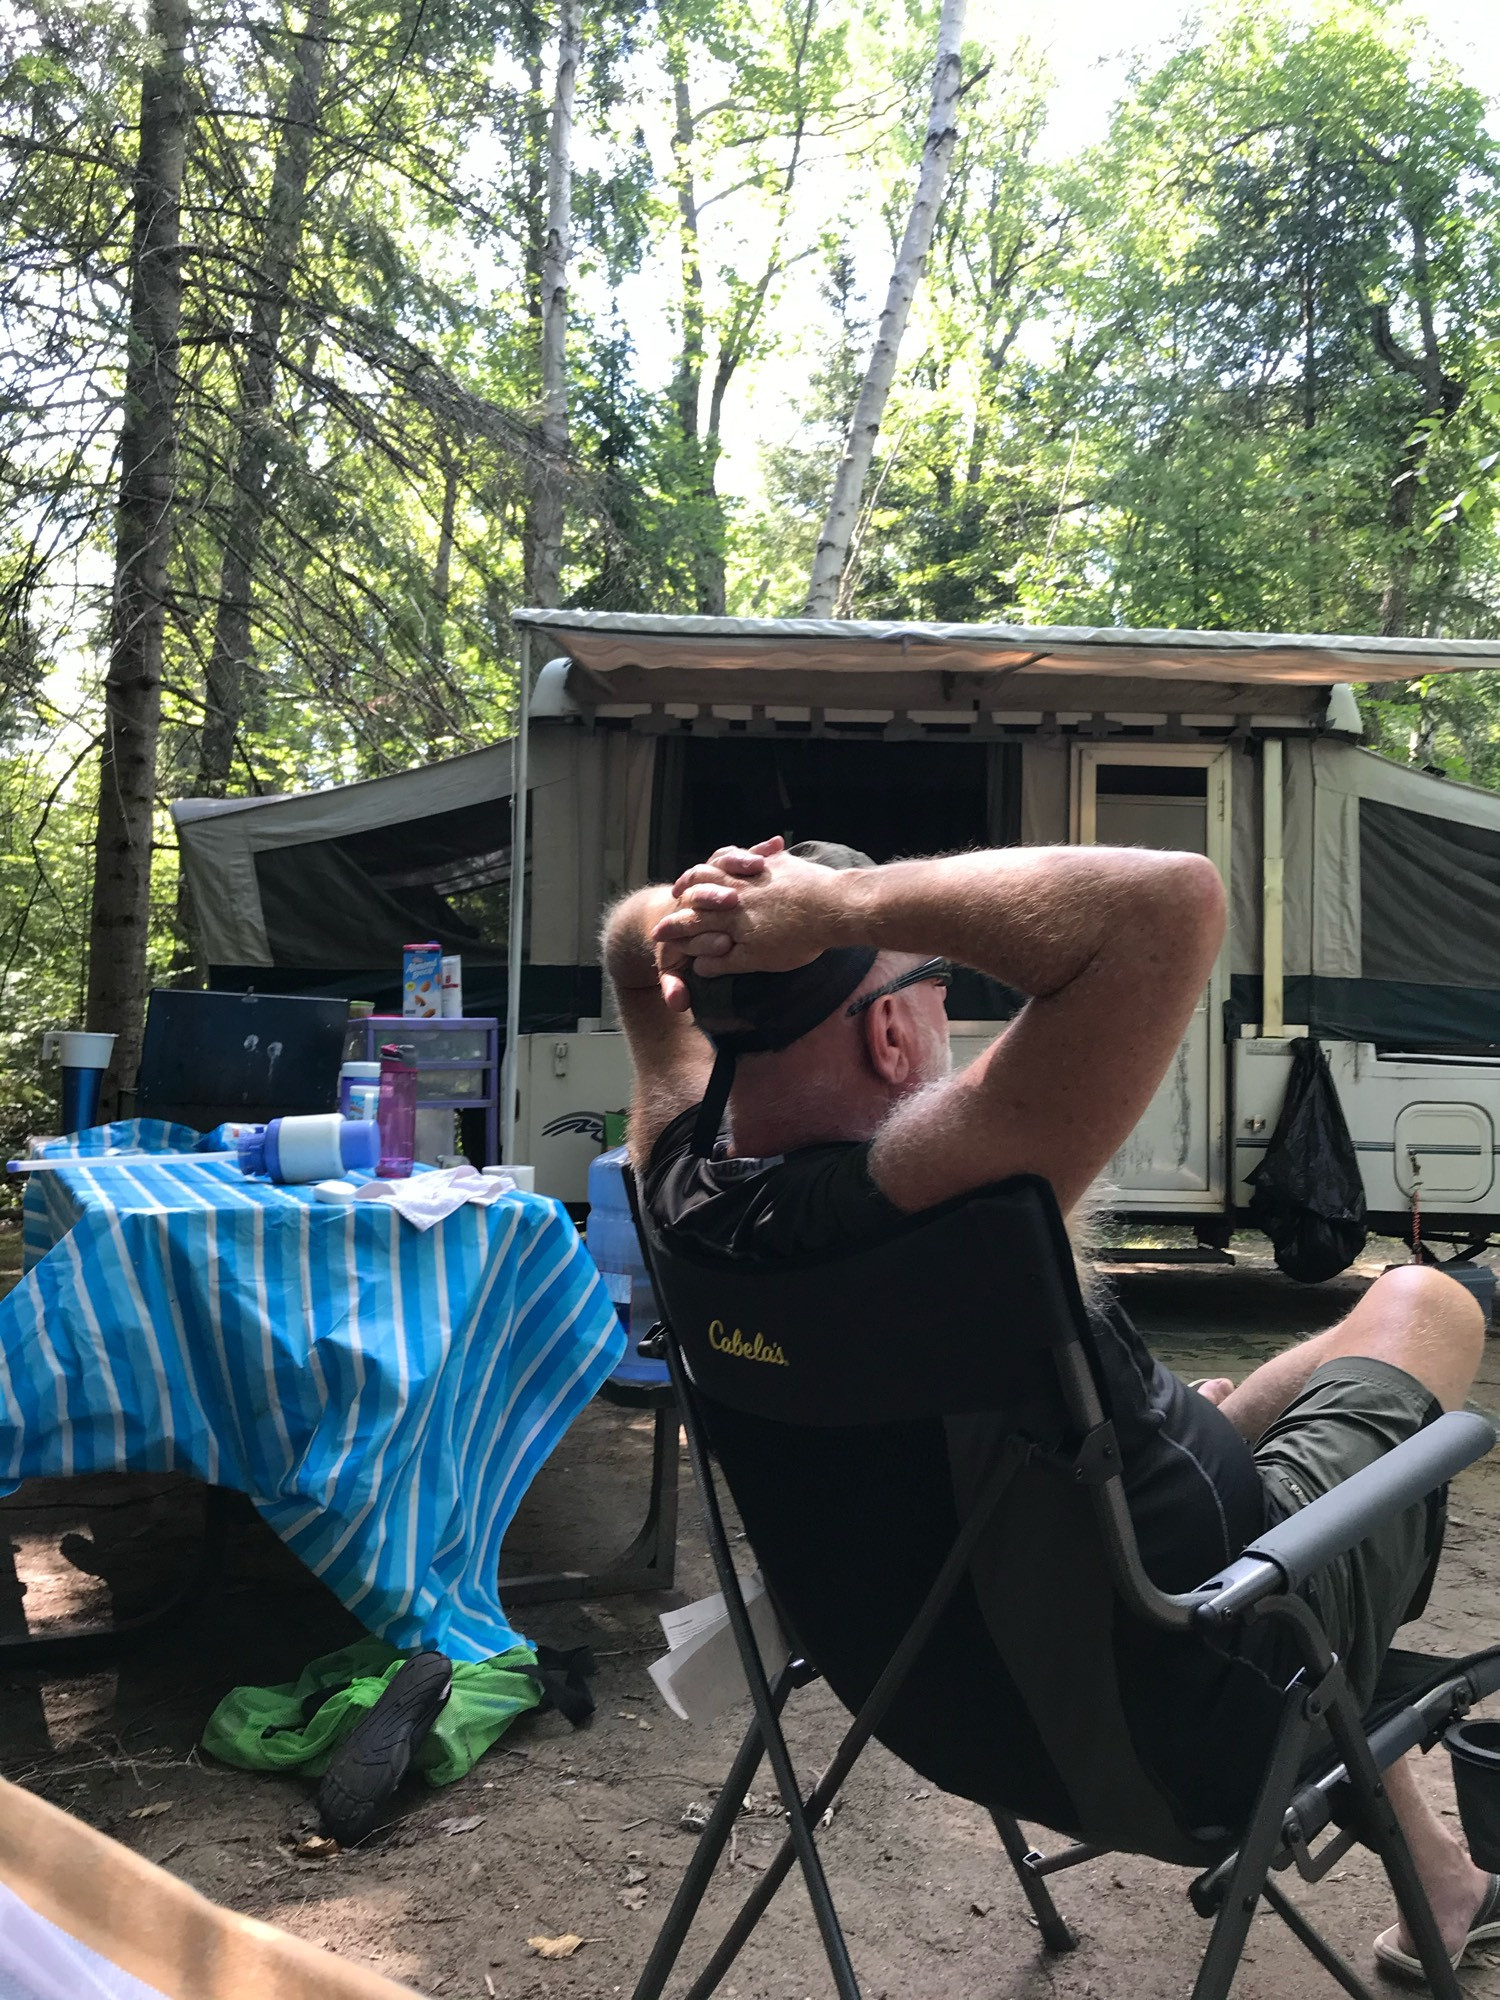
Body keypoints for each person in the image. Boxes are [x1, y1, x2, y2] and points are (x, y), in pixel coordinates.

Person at [602, 834, 1494, 1981]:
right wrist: (842, 902)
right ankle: (1427, 1841)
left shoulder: (675, 1184)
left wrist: (690, 913)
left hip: (934, 1700)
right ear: (887, 1031)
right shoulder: (928, 1192)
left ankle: (1439, 1873)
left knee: (1256, 1396)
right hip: (1188, 1706)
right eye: (934, 989)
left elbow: (632, 955)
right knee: (1421, 1299)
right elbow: (1173, 898)